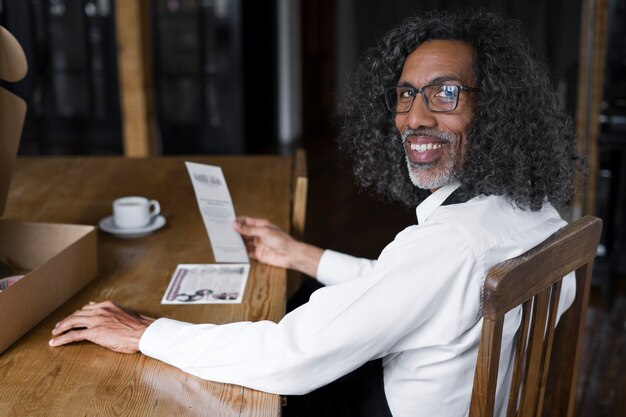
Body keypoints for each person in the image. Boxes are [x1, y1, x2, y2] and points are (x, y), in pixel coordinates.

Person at [49, 9, 583, 417]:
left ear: (494, 108)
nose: (414, 117)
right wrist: (300, 253)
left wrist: (145, 333)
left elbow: (290, 357)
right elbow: (417, 289)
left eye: (446, 94)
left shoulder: (451, 245)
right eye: (405, 94)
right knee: (301, 295)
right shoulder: (534, 214)